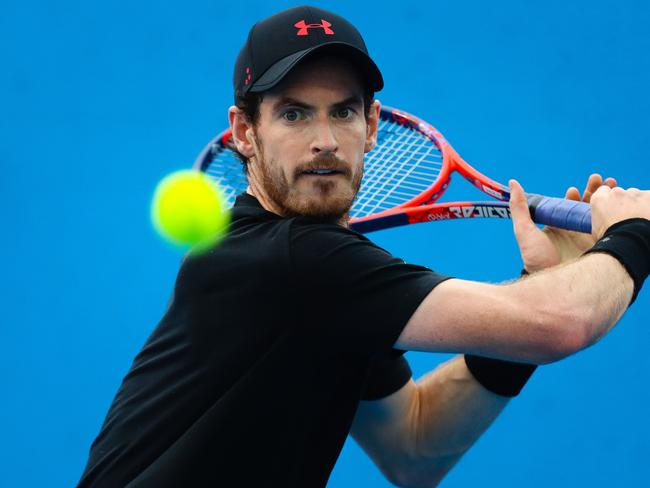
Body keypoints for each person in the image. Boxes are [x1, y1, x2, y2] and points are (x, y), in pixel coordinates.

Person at [78, 6, 650, 487]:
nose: (325, 141)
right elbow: (561, 323)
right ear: (244, 132)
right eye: (294, 114)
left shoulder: (316, 283)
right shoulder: (297, 261)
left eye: (344, 111)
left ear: (372, 124)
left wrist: (548, 283)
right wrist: (634, 235)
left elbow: (414, 446)